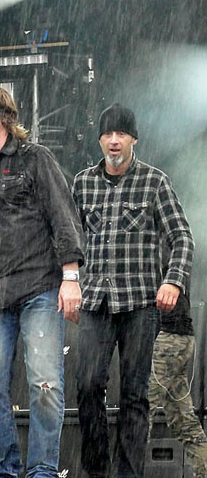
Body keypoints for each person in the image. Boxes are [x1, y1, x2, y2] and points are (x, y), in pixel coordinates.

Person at [0, 81, 85, 477]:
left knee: (45, 384)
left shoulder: (34, 159)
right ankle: (3, 471)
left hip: (38, 287)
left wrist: (71, 277)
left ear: (3, 114)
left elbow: (63, 218)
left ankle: (43, 470)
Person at [73, 103, 194, 477]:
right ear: (99, 139)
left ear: (133, 140)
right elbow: (67, 240)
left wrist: (172, 280)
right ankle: (97, 470)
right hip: (94, 301)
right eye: (108, 134)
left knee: (135, 395)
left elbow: (182, 237)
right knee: (87, 386)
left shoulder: (155, 181)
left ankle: (128, 474)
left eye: (121, 134)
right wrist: (67, 283)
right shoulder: (82, 183)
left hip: (140, 302)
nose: (114, 140)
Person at [148, 287, 207, 478]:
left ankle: (128, 471)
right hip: (181, 336)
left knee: (140, 413)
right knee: (184, 418)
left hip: (165, 337)